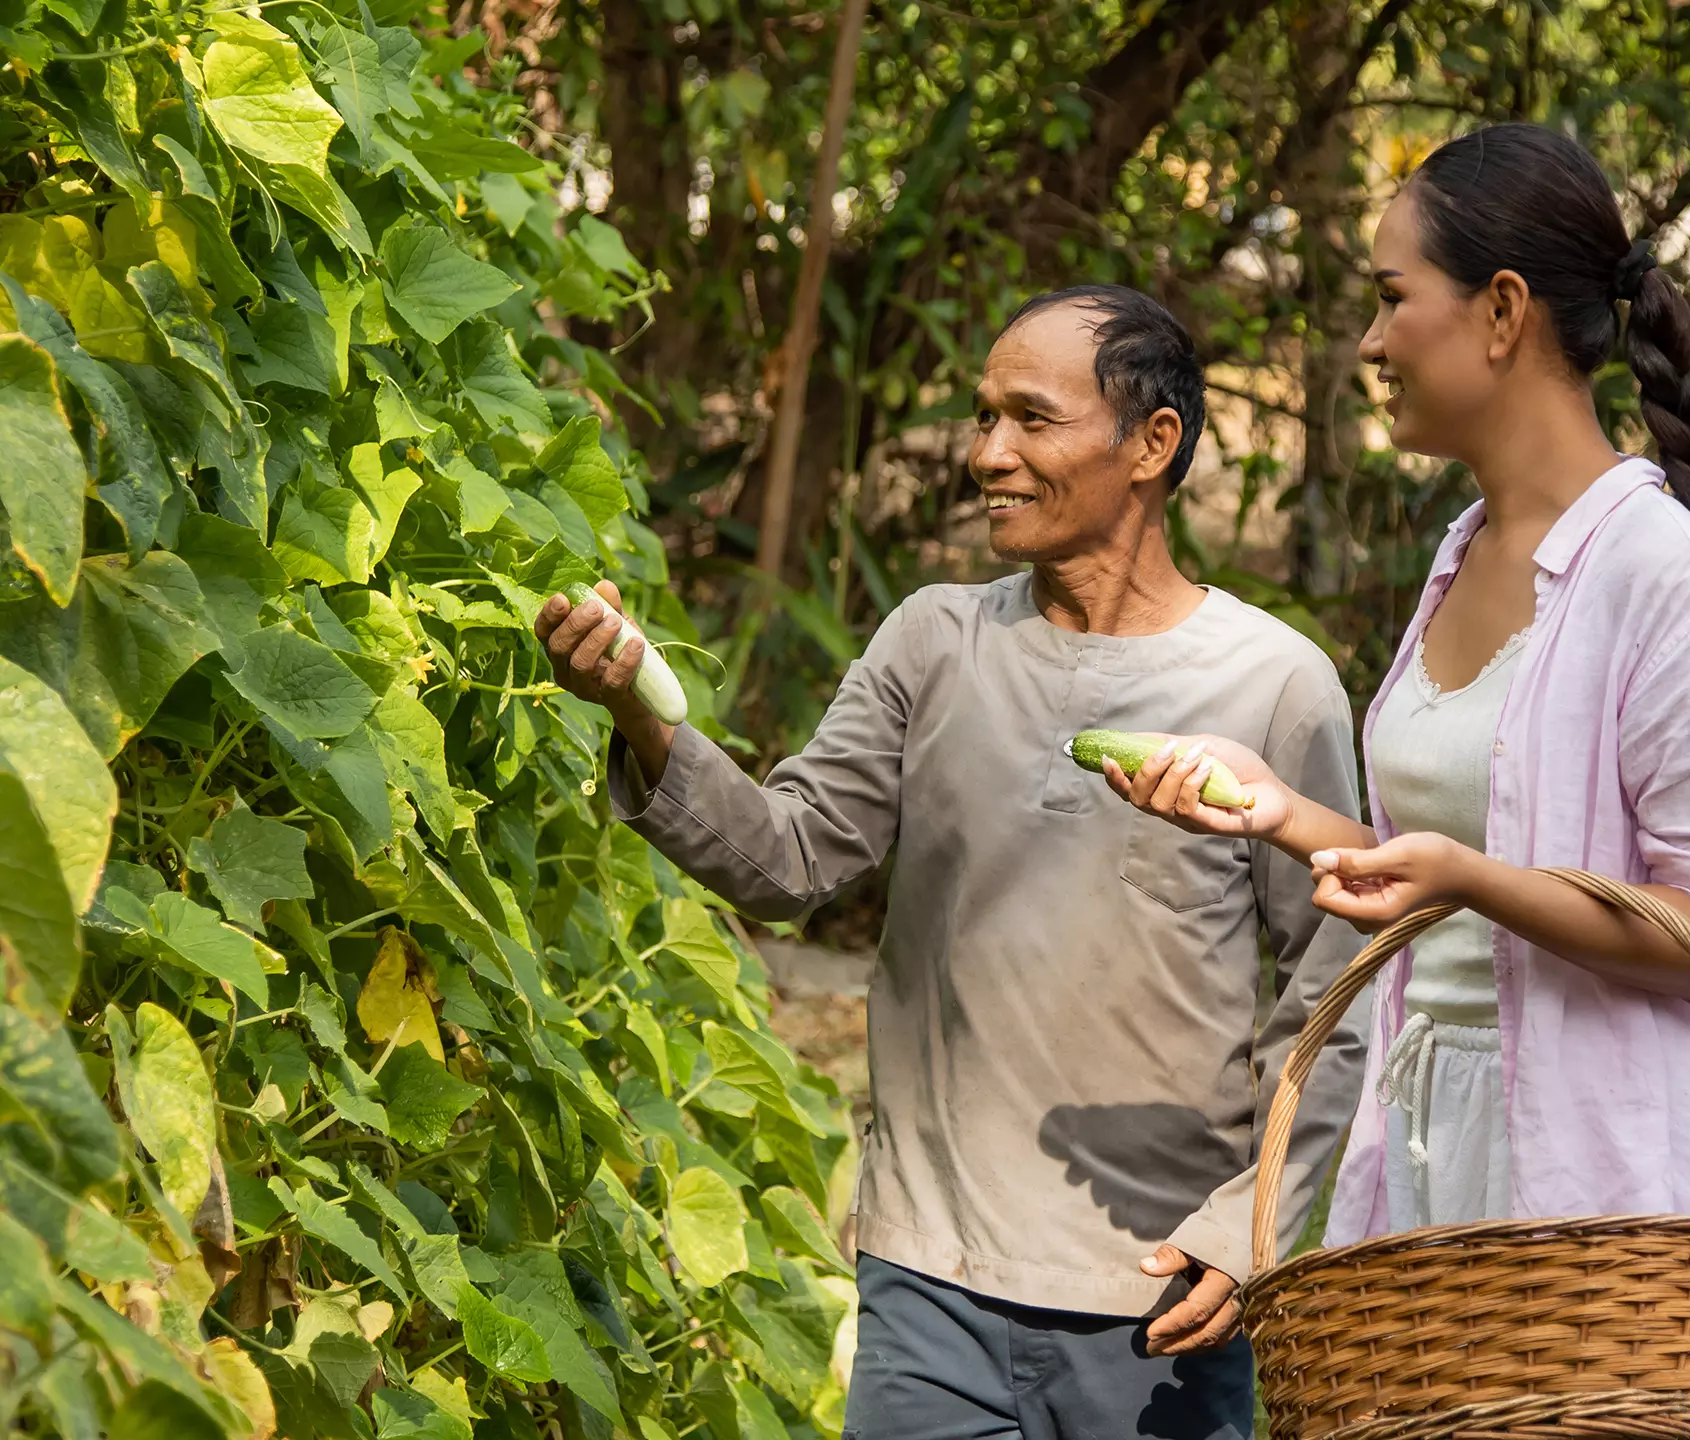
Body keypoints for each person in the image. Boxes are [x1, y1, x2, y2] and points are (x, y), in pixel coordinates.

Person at [536, 286, 1369, 1438]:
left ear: (1153, 444)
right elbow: (788, 857)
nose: (989, 454)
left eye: (1031, 419)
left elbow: (1337, 988)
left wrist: (1251, 1222)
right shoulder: (934, 641)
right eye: (983, 419)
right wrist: (638, 714)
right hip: (930, 1280)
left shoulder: (1275, 685)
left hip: (1158, 1293)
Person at [1111, 123, 1690, 1240]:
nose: (1370, 343)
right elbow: (1453, 865)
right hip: (1433, 1155)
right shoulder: (1465, 550)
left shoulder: (1683, 595)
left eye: (1393, 298)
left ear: (1501, 311)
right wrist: (1281, 812)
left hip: (1609, 1203)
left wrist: (1469, 880)